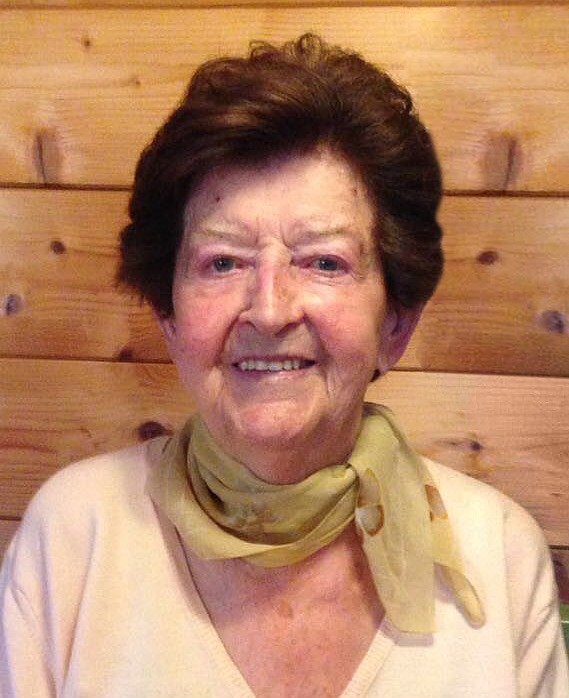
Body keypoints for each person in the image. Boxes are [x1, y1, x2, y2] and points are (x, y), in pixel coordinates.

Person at [0, 33, 567, 697]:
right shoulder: (73, 536)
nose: (269, 310)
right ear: (169, 317)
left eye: (324, 261)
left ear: (396, 325)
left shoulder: (499, 553)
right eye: (223, 262)